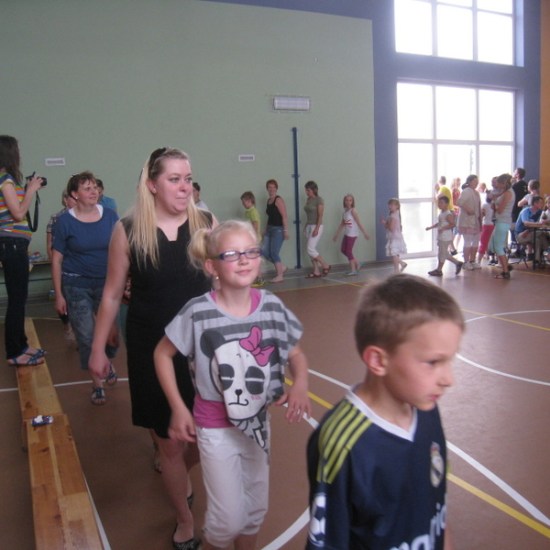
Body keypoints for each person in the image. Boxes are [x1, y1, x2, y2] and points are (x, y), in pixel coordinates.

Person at [154, 220, 311, 550]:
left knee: (254, 511)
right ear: (212, 266)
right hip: (215, 428)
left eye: (251, 252)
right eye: (231, 254)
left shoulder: (271, 306)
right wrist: (178, 408)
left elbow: (296, 354)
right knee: (226, 521)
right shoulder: (198, 312)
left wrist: (300, 383)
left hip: (257, 426)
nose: (244, 260)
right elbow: (162, 354)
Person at [89, 147, 214, 549]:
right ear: (152, 185)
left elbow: (223, 281)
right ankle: (184, 519)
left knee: (205, 437)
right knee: (170, 440)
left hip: (201, 348)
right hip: (152, 346)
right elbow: (112, 294)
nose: (185, 186)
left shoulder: (206, 223)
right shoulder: (128, 230)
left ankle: (177, 468)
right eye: (174, 179)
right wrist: (98, 349)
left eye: (188, 178)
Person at [306, 273, 463, 549]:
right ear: (378, 361)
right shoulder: (343, 443)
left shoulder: (426, 408)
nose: (448, 379)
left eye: (450, 361)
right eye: (433, 362)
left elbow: (437, 508)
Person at [51, 172, 119, 404]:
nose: (93, 192)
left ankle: (107, 360)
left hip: (107, 283)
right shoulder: (64, 222)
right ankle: (97, 384)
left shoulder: (110, 216)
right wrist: (59, 294)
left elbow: (121, 249)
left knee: (111, 336)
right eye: (87, 188)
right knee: (87, 335)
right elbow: (57, 260)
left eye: (95, 188)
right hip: (76, 284)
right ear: (74, 194)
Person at [0, 135, 47, 366]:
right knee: (17, 298)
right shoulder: (5, 180)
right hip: (11, 244)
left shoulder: (7, 180)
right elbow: (18, 213)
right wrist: (31, 190)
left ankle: (22, 345)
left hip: (13, 244)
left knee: (19, 297)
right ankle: (14, 352)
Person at [46, 189, 77, 343]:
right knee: (63, 298)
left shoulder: (84, 216)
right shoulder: (56, 218)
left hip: (77, 264)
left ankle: (81, 333)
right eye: (73, 198)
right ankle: (67, 326)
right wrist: (56, 264)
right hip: (62, 263)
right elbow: (50, 244)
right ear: (65, 199)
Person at [332, 193, 369, 276]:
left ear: (352, 202)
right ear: (344, 201)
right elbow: (342, 224)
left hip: (352, 234)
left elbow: (359, 223)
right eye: (347, 200)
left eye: (350, 200)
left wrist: (365, 233)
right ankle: (357, 263)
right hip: (347, 233)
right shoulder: (345, 212)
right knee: (343, 250)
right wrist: (336, 234)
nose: (348, 202)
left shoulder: (353, 211)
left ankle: (353, 270)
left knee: (348, 251)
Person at [426, 195, 463, 276]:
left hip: (445, 237)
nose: (439, 204)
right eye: (439, 203)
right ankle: (457, 263)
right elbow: (440, 223)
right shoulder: (442, 213)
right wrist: (431, 227)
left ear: (446, 204)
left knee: (442, 254)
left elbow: (453, 224)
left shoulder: (448, 214)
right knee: (443, 253)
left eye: (441, 203)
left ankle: (439, 270)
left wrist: (443, 228)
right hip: (442, 236)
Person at [261, 178, 289, 283]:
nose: (271, 189)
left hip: (278, 229)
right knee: (264, 252)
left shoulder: (278, 200)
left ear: (276, 188)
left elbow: (284, 216)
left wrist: (285, 230)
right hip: (270, 229)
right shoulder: (269, 201)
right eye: (269, 187)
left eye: (273, 187)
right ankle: (282, 267)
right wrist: (265, 229)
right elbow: (270, 217)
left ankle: (280, 275)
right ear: (267, 189)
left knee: (274, 253)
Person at [489, 173, 515, 279]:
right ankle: (506, 267)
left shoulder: (508, 193)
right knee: (495, 245)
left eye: (499, 183)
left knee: (498, 247)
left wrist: (494, 205)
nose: (497, 185)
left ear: (503, 183)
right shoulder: (506, 192)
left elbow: (500, 210)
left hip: (503, 221)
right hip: (502, 221)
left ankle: (505, 271)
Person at [304, 180, 331, 278]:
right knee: (311, 251)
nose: (307, 192)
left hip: (317, 226)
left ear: (314, 190)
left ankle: (325, 265)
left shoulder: (319, 200)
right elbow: (308, 215)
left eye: (308, 190)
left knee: (310, 249)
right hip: (308, 226)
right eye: (306, 190)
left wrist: (316, 229)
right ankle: (316, 271)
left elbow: (320, 216)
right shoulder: (308, 200)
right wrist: (305, 227)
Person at [456, 174, 482, 270]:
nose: (476, 183)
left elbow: (478, 206)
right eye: (474, 181)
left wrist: (480, 217)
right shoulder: (466, 191)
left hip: (476, 221)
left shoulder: (476, 193)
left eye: (477, 181)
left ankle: (472, 260)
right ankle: (466, 262)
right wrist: (468, 209)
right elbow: (459, 202)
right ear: (469, 182)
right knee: (467, 241)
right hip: (467, 222)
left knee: (475, 241)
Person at [240, 190, 264, 287]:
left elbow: (255, 225)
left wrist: (252, 237)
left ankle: (259, 278)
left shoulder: (253, 211)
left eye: (244, 202)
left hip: (254, 240)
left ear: (249, 200)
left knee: (255, 259)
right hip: (251, 239)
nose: (243, 204)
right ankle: (256, 277)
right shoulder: (248, 211)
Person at [381, 197, 407, 273]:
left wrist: (385, 223)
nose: (390, 206)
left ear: (397, 206)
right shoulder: (395, 214)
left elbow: (391, 228)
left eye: (392, 205)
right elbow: (390, 226)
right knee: (395, 254)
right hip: (396, 237)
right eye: (389, 205)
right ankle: (400, 265)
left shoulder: (394, 216)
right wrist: (386, 223)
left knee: (394, 254)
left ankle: (397, 269)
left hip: (395, 238)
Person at [515, 196, 544, 260]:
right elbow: (526, 223)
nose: (542, 204)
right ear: (535, 203)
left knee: (538, 240)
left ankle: (536, 259)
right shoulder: (525, 211)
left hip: (530, 233)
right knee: (542, 234)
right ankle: (539, 257)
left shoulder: (540, 212)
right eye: (540, 203)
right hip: (521, 235)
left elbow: (543, 222)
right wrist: (538, 224)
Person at [476, 188, 496, 265]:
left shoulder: (487, 205)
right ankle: (485, 257)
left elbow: (481, 216)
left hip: (487, 225)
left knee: (483, 243)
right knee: (486, 243)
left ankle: (478, 261)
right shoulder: (492, 205)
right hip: (490, 225)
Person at [511, 167, 528, 244]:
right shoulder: (526, 184)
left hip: (515, 209)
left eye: (514, 172)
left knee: (514, 227)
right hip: (523, 209)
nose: (513, 173)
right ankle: (521, 244)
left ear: (517, 174)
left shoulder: (515, 186)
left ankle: (515, 243)